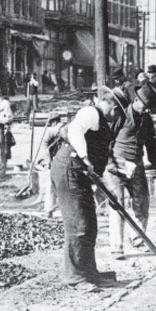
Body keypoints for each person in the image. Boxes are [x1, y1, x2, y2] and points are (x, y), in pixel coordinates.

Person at [50, 90, 118, 291]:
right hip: (70, 169)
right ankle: (75, 277)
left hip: (81, 175)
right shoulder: (91, 112)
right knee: (78, 224)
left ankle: (90, 273)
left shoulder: (102, 122)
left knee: (89, 224)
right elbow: (74, 130)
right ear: (113, 107)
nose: (117, 117)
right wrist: (85, 158)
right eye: (118, 112)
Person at [106, 83, 156, 259]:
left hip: (136, 164)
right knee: (118, 204)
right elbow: (107, 140)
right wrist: (109, 161)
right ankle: (116, 246)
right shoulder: (121, 116)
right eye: (144, 106)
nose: (146, 110)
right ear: (136, 99)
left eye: (149, 108)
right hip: (117, 162)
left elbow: (152, 145)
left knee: (142, 201)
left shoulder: (146, 119)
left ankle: (138, 239)